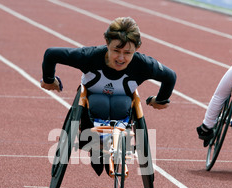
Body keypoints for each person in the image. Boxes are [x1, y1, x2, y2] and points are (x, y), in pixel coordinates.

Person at [41, 17, 176, 175]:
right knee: (100, 103)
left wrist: (160, 100)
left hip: (122, 108)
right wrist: (49, 80)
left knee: (121, 104)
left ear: (137, 48)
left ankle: (115, 143)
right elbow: (51, 54)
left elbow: (170, 76)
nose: (120, 58)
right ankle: (97, 145)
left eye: (127, 53)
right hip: (90, 106)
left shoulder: (143, 64)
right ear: (106, 42)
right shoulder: (89, 56)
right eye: (116, 51)